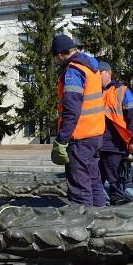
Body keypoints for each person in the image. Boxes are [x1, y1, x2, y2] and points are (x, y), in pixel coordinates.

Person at [50, 34, 106, 207]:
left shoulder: (73, 71)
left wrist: (62, 139)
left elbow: (71, 109)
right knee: (94, 182)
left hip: (79, 137)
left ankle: (84, 227)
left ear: (60, 54)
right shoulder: (91, 67)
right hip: (95, 135)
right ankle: (101, 219)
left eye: (55, 57)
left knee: (80, 188)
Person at [98, 62, 133, 205]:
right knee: (96, 183)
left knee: (116, 182)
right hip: (96, 145)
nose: (96, 76)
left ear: (108, 73)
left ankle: (119, 210)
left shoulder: (121, 91)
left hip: (115, 146)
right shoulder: (92, 92)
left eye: (99, 73)